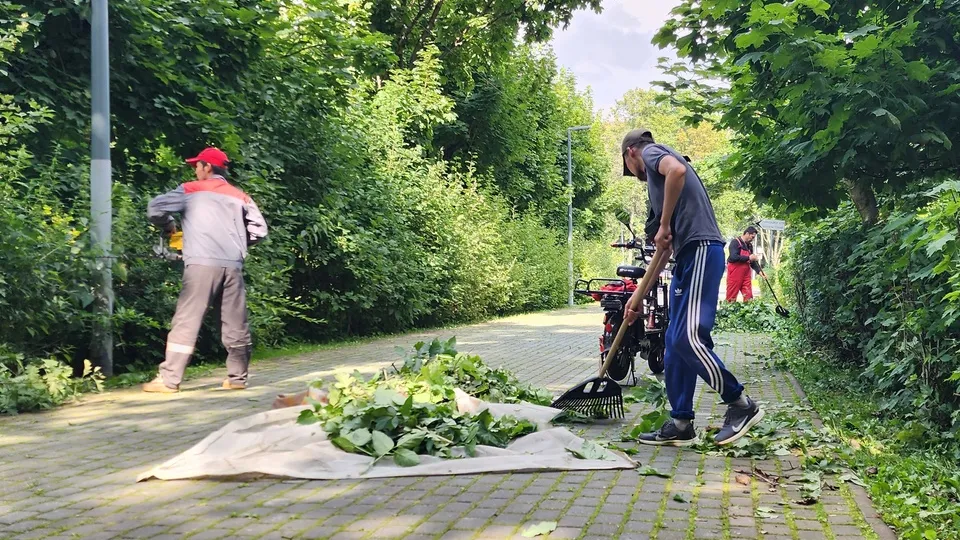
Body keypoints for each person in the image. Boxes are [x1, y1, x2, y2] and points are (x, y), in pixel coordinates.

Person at [620, 128, 764, 446]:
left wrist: (665, 221)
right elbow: (663, 250)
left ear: (631, 153)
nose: (635, 176)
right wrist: (637, 298)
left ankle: (741, 405)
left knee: (687, 337)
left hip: (701, 250)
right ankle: (681, 422)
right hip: (686, 257)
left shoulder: (651, 152)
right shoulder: (657, 191)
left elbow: (678, 169)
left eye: (629, 170)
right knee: (673, 343)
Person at [142, 147, 268, 393]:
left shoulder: (190, 189)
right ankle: (237, 379)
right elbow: (260, 230)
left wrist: (169, 226)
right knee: (235, 322)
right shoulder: (240, 196)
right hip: (233, 265)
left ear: (207, 167)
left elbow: (155, 208)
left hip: (201, 264)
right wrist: (239, 241)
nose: (195, 171)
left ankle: (169, 380)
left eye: (196, 167)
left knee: (187, 319)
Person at [726, 226, 765, 302]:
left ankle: (749, 312)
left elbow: (752, 262)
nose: (753, 239)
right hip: (734, 274)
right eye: (752, 237)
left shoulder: (749, 246)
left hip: (746, 275)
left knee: (749, 297)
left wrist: (760, 271)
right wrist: (748, 258)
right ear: (747, 233)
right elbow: (733, 257)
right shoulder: (735, 242)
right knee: (731, 297)